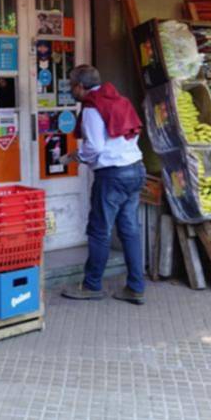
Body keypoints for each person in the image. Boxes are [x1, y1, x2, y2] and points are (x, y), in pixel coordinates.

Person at [59, 65, 146, 304]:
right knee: (130, 230)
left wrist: (78, 157)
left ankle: (92, 285)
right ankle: (136, 287)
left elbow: (95, 147)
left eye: (70, 85)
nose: (70, 90)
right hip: (135, 168)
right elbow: (132, 133)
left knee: (99, 230)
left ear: (79, 86)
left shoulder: (91, 107)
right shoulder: (120, 100)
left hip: (112, 175)